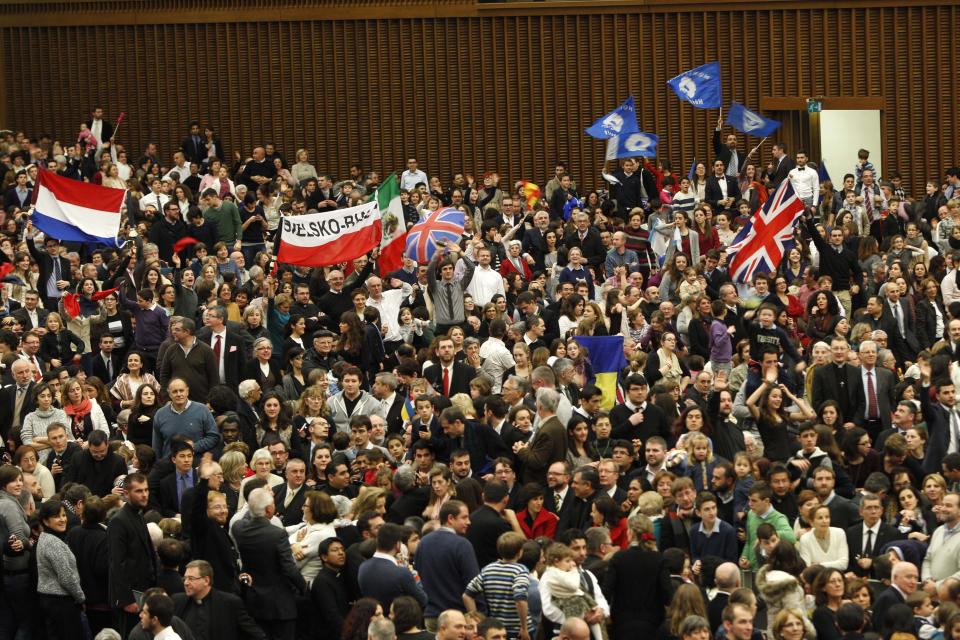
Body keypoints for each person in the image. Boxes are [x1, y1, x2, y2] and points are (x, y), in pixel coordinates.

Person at [231, 487, 307, 640]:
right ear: (269, 510)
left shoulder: (238, 528)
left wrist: (255, 503)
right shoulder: (277, 534)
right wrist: (304, 588)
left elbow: (245, 518)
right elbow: (289, 569)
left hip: (253, 600)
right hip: (280, 605)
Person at [413, 500, 479, 632]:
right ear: (450, 518)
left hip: (432, 616)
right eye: (464, 517)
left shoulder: (423, 542)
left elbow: (418, 576)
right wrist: (479, 614)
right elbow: (474, 583)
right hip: (458, 619)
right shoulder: (462, 545)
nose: (469, 522)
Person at [108, 472, 159, 637]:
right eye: (139, 491)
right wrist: (127, 599)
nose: (144, 494)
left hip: (144, 592)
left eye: (146, 490)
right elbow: (117, 563)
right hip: (131, 597)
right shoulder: (118, 521)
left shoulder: (139, 515)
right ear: (126, 494)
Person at [604, 514, 671, 638]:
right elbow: (667, 595)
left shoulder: (618, 558)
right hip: (653, 622)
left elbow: (607, 591)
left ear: (631, 532)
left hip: (622, 622)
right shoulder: (659, 559)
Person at [171, 560, 266, 640]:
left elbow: (254, 632)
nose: (186, 583)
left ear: (206, 580)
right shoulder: (178, 601)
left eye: (191, 579)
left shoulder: (229, 603)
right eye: (185, 578)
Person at [35, 499, 86, 640]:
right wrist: (81, 597)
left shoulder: (45, 538)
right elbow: (66, 577)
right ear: (45, 521)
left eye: (64, 515)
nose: (63, 519)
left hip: (51, 601)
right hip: (60, 603)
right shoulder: (54, 543)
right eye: (57, 516)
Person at [358, 522, 428, 611]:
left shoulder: (363, 567)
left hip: (376, 620)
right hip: (401, 621)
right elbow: (423, 600)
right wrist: (414, 575)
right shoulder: (401, 572)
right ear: (397, 544)